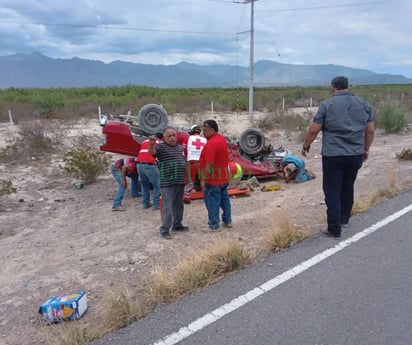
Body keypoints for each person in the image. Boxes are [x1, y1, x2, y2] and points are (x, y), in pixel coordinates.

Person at [301, 76, 375, 238]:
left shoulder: (327, 105)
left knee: (332, 189)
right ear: (348, 87)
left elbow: (314, 129)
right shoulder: (364, 104)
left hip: (333, 155)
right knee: (348, 185)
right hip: (355, 153)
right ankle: (344, 218)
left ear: (333, 88)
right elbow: (370, 130)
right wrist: (366, 149)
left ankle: (334, 228)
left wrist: (306, 145)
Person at [148, 127, 188, 239]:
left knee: (179, 205)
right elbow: (152, 153)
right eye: (169, 136)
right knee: (167, 207)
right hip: (167, 182)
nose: (172, 138)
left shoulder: (179, 147)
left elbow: (183, 161)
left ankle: (177, 225)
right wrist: (151, 144)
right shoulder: (161, 147)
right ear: (165, 137)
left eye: (174, 135)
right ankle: (165, 229)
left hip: (179, 181)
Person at [199, 119, 232, 231]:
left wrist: (203, 179)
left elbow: (209, 163)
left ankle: (214, 225)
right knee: (224, 200)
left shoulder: (211, 144)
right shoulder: (221, 139)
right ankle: (228, 221)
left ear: (212, 130)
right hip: (223, 177)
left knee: (212, 202)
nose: (203, 133)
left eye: (206, 130)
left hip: (213, 179)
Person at [136, 133, 162, 210]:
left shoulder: (145, 141)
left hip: (139, 164)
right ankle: (157, 205)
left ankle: (145, 204)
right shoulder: (159, 142)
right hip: (149, 165)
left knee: (144, 185)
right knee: (157, 185)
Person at [182, 124, 207, 204]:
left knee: (189, 181)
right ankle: (205, 197)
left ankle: (187, 198)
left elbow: (183, 150)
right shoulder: (204, 139)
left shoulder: (188, 138)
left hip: (192, 163)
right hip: (203, 163)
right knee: (203, 181)